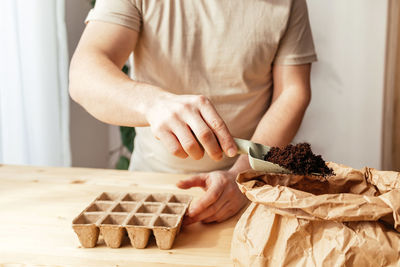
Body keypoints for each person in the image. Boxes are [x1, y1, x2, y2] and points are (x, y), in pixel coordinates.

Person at [69, 0, 317, 224]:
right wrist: (154, 103)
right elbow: (84, 74)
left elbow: (292, 93)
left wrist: (243, 176)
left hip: (251, 187)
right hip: (154, 182)